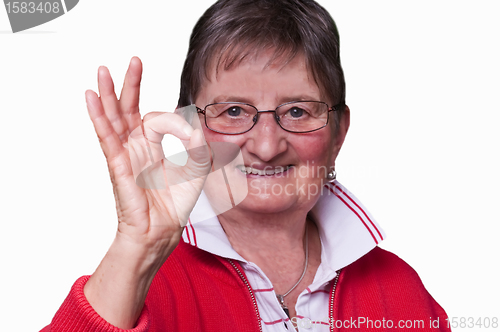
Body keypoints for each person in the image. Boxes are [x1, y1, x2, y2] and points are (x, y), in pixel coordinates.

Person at [41, 0, 450, 331]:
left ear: (338, 133)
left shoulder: (403, 292)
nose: (267, 146)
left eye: (297, 111)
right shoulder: (138, 286)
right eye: (234, 110)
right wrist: (135, 249)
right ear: (188, 127)